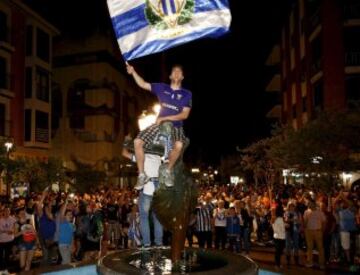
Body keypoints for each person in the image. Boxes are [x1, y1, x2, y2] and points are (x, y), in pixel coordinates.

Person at [126, 63, 192, 189]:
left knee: (179, 145)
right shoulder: (162, 88)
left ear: (182, 77)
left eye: (179, 72)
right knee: (137, 142)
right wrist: (133, 72)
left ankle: (168, 170)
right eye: (174, 71)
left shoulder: (186, 94)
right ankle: (141, 175)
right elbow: (143, 84)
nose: (177, 73)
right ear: (170, 76)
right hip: (159, 124)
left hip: (176, 126)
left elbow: (185, 114)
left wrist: (165, 117)